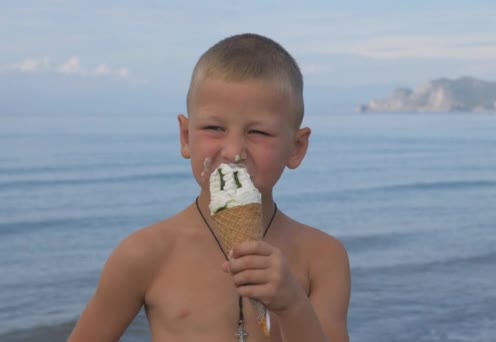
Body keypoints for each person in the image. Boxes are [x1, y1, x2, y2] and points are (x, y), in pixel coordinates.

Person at [68, 33, 351, 342]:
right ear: (186, 137)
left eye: (258, 132)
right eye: (214, 128)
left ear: (296, 148)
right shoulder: (144, 254)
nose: (233, 151)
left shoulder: (322, 257)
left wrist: (293, 305)